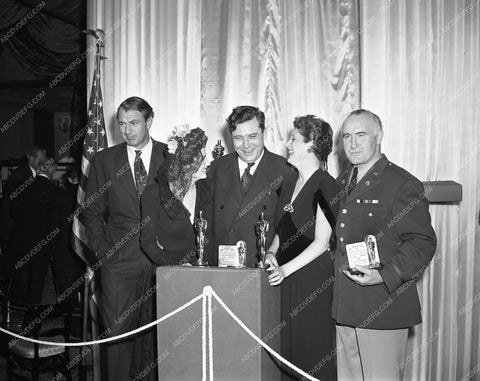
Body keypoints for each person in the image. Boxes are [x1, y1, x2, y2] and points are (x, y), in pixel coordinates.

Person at [332, 109, 437, 381]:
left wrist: (383, 275)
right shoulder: (343, 181)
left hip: (382, 306)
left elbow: (423, 241)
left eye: (361, 135)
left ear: (379, 136)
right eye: (346, 137)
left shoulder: (400, 183)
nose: (352, 144)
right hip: (346, 305)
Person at [82, 97, 168, 381]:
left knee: (162, 336)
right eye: (121, 124)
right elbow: (92, 212)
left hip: (163, 261)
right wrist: (104, 253)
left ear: (149, 121)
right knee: (118, 339)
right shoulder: (104, 160)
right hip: (119, 262)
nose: (127, 130)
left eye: (134, 123)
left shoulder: (171, 156)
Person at [265, 115, 339, 381]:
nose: (287, 144)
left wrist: (285, 269)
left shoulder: (326, 184)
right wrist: (271, 255)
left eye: (293, 138)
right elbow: (280, 232)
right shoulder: (288, 182)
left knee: (311, 353)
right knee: (285, 355)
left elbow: (321, 243)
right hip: (283, 279)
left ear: (311, 145)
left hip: (312, 280)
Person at [134, 127, 211, 380]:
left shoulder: (207, 190)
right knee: (165, 353)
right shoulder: (153, 194)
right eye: (202, 157)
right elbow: (148, 243)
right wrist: (177, 268)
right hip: (164, 280)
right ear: (186, 163)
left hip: (202, 282)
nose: (207, 161)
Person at [208, 105, 292, 266]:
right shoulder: (216, 169)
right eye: (238, 138)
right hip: (222, 271)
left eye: (252, 136)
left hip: (265, 270)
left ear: (264, 133)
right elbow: (207, 226)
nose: (246, 145)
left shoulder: (285, 171)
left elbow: (287, 230)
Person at [8, 157, 58, 305]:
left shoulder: (21, 185)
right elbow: (54, 219)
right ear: (51, 170)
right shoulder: (53, 190)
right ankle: (32, 312)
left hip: (20, 238)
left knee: (21, 276)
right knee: (37, 279)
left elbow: (12, 209)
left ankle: (16, 306)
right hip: (41, 241)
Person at [0, 146, 46, 263]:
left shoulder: (38, 175)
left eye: (44, 159)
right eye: (39, 159)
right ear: (30, 158)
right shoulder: (19, 175)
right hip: (13, 224)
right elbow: (11, 202)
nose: (43, 162)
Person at [51, 167, 85, 298]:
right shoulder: (88, 195)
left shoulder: (61, 196)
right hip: (84, 243)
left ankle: (69, 309)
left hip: (63, 244)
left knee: (65, 282)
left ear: (69, 179)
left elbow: (54, 222)